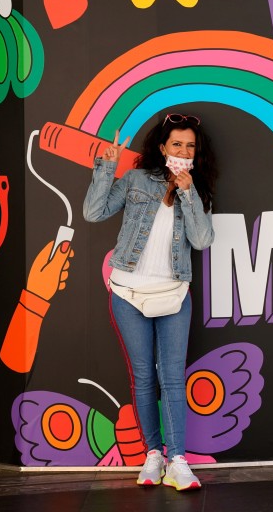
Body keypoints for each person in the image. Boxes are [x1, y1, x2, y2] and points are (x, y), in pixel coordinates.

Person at [83, 113, 216, 491]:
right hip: (128, 292)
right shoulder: (138, 179)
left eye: (190, 146)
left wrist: (188, 191)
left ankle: (178, 460)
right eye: (176, 144)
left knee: (172, 378)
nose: (183, 151)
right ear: (162, 148)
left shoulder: (199, 190)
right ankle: (152, 455)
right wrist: (107, 165)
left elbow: (203, 240)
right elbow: (93, 212)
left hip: (173, 292)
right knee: (144, 377)